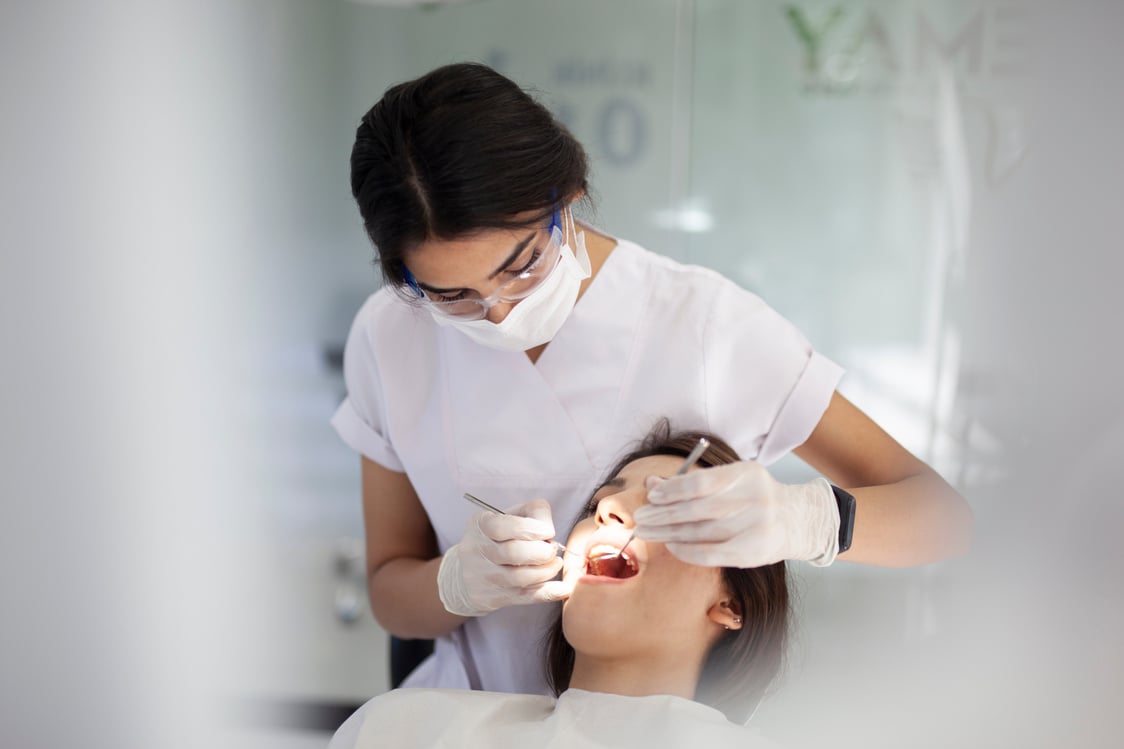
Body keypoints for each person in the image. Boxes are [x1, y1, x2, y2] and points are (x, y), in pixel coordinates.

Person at [333, 61, 973, 695]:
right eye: (453, 296)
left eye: (522, 264)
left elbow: (941, 518)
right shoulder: (391, 336)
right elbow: (392, 593)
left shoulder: (707, 326)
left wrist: (805, 520)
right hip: (463, 722)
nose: (499, 312)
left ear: (569, 196)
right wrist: (455, 584)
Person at [328, 427, 789, 748]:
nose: (607, 507)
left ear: (732, 603)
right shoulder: (400, 731)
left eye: (664, 504)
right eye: (595, 504)